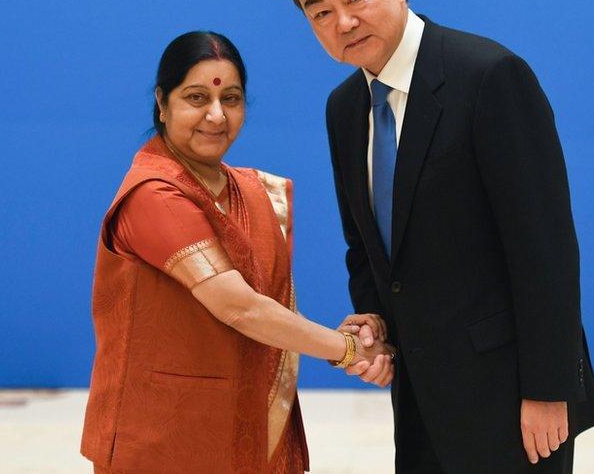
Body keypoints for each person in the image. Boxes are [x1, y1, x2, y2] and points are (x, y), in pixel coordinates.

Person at [284, 0, 594, 472]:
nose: (343, 22)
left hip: (513, 395)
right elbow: (366, 248)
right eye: (319, 12)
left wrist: (551, 389)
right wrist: (374, 324)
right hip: (420, 398)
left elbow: (544, 248)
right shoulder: (344, 109)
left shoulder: (488, 77)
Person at [79, 31, 395, 473]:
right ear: (162, 102)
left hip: (248, 428)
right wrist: (346, 349)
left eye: (231, 98)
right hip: (161, 438)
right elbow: (239, 307)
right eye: (195, 98)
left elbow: (271, 306)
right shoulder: (153, 195)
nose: (215, 115)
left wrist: (363, 327)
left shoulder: (254, 192)